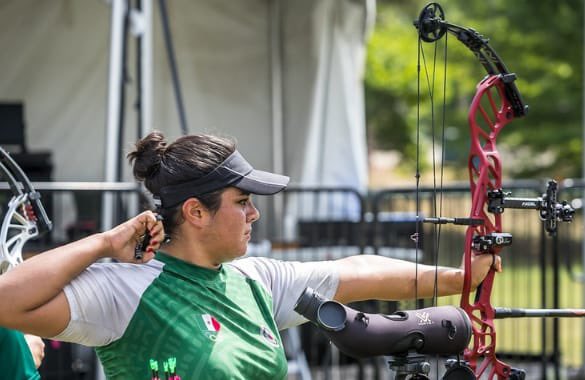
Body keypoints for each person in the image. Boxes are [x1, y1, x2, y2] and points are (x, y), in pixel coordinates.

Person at [0, 132, 498, 379]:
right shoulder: (124, 287)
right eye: (242, 203)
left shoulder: (254, 278)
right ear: (195, 212)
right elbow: (6, 301)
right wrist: (107, 243)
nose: (254, 215)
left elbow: (356, 271)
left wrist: (459, 277)